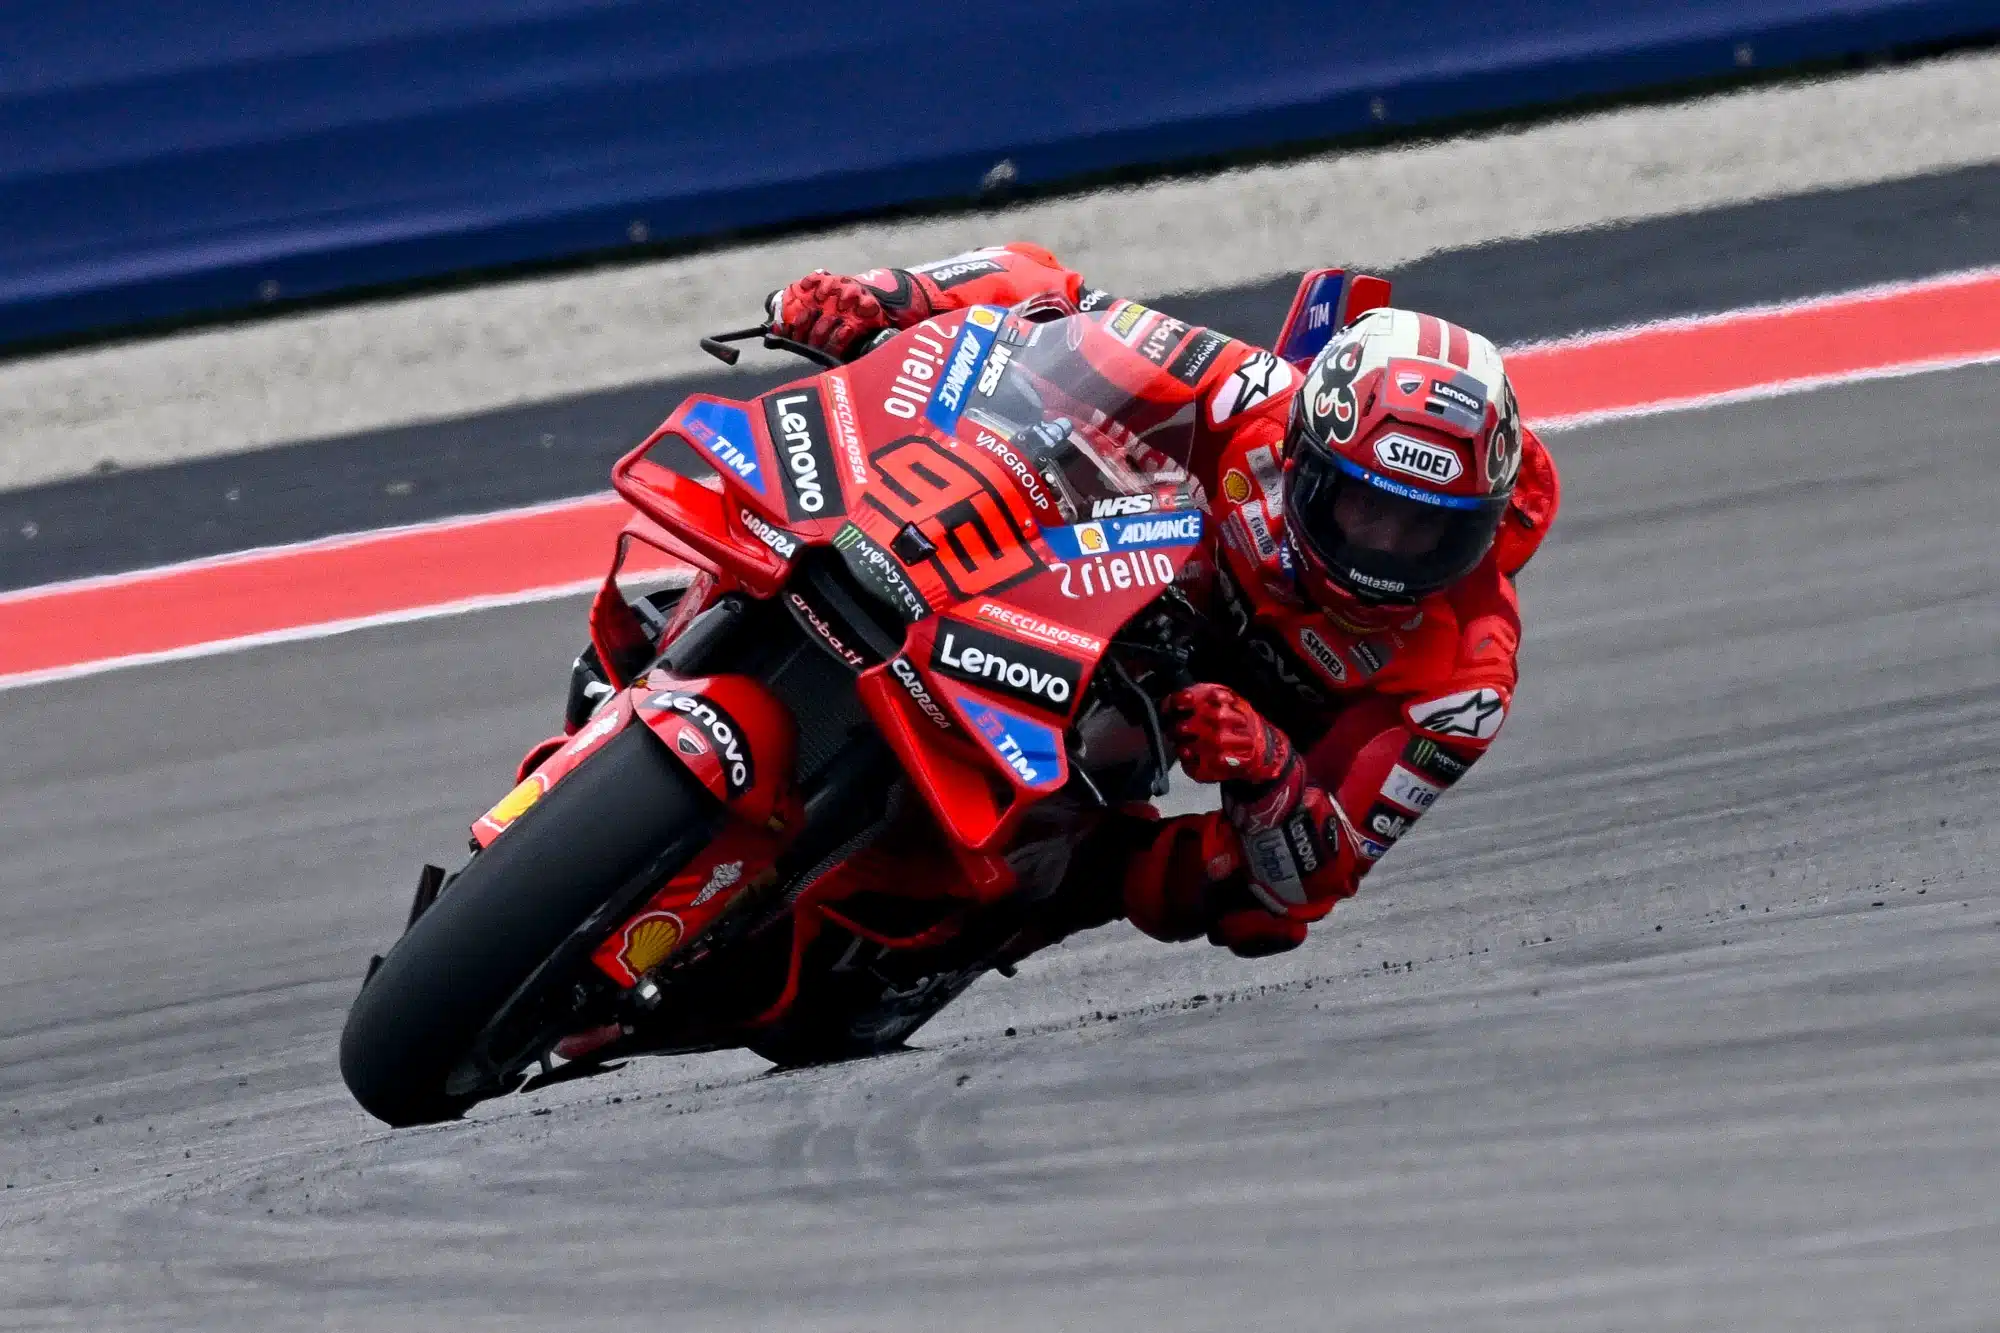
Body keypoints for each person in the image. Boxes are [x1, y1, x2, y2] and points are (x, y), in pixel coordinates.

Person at [763, 243, 1561, 958]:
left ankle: (985, 921)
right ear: (1304, 452)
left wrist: (1269, 771)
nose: (1381, 550)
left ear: (1480, 531)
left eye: (1426, 532)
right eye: (1362, 507)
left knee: (1255, 913)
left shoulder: (1467, 677)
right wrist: (885, 298)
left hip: (1193, 711)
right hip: (1093, 563)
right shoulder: (1251, 395)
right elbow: (1048, 291)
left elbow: (1319, 875)